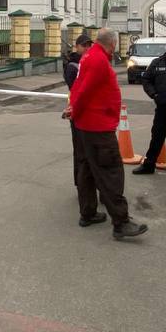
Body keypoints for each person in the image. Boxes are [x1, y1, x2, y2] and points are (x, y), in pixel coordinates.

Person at [65, 28, 147, 240]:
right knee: (110, 172)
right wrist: (74, 109)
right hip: (97, 126)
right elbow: (83, 90)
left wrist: (73, 109)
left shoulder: (89, 56)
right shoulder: (98, 60)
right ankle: (121, 222)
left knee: (87, 169)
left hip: (86, 124)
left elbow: (78, 87)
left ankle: (88, 213)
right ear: (112, 43)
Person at [136, 36, 166, 178]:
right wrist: (154, 95)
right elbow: (146, 80)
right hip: (163, 110)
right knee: (157, 138)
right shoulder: (157, 63)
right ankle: (149, 165)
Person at [63, 33, 93, 184]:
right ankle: (81, 183)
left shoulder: (88, 62)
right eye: (84, 45)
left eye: (89, 45)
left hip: (90, 114)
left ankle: (90, 181)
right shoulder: (72, 66)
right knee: (81, 151)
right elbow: (78, 90)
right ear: (77, 46)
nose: (87, 48)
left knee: (91, 151)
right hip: (78, 113)